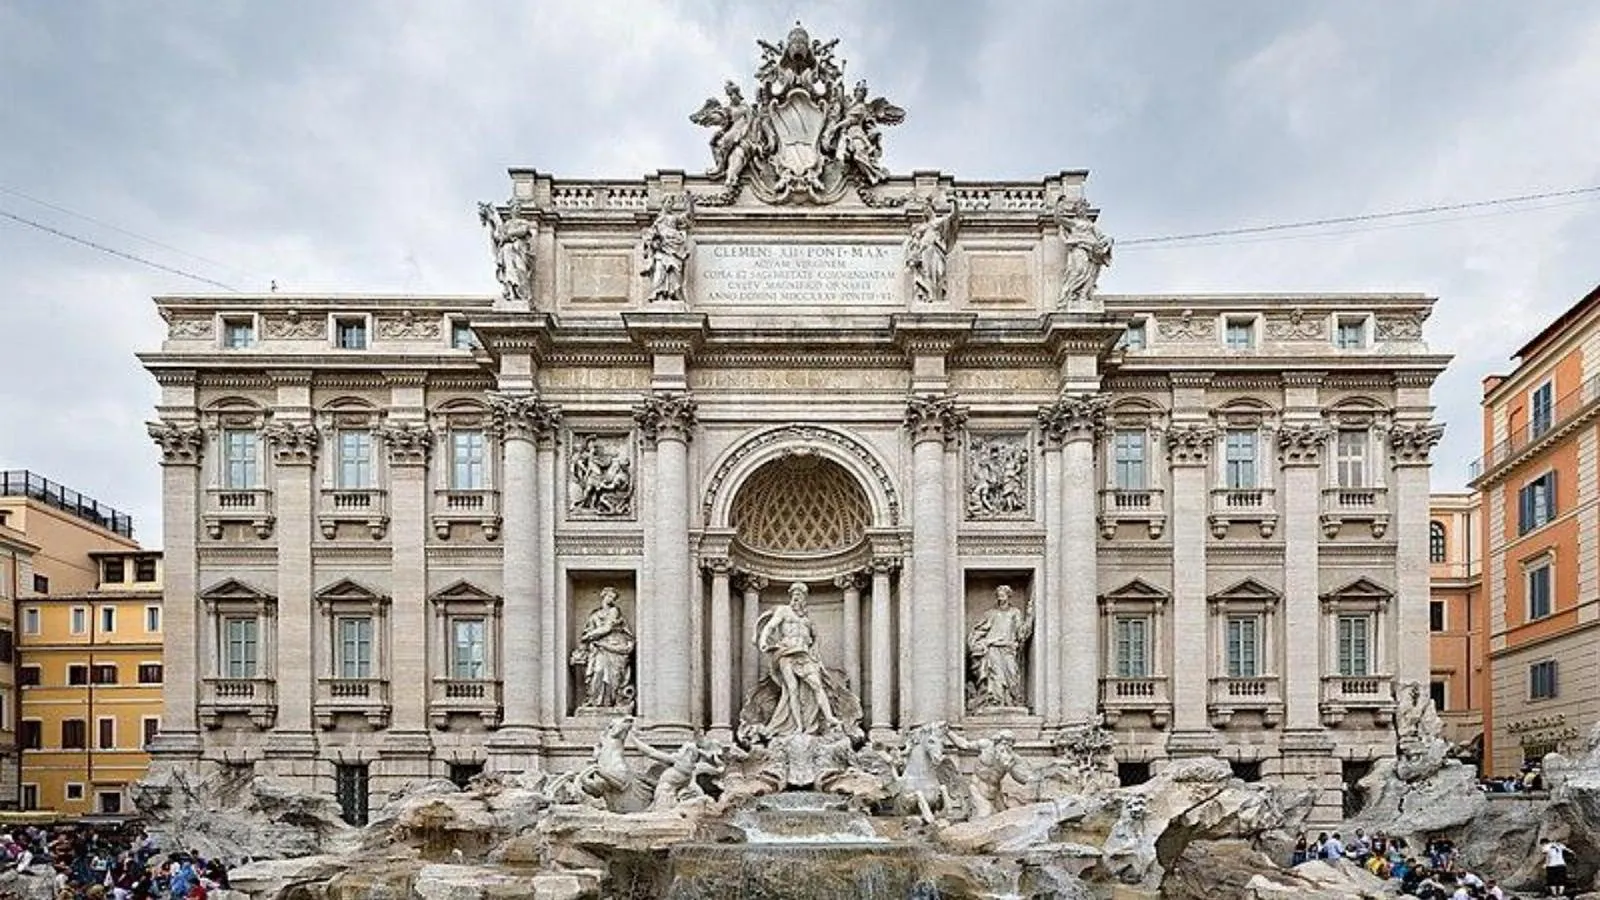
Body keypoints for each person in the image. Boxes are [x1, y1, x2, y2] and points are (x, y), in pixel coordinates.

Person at [756, 583, 841, 736]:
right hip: (786, 654)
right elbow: (770, 626)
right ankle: (798, 726)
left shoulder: (807, 620)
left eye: (800, 594)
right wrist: (763, 640)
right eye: (794, 594)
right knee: (792, 689)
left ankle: (829, 717)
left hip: (803, 655)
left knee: (816, 685)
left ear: (804, 598)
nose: (796, 597)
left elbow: (816, 638)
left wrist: (815, 653)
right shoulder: (784, 611)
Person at [966, 585, 1034, 710]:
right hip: (993, 649)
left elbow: (1021, 633)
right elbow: (979, 630)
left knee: (1012, 674)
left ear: (1008, 596)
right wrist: (979, 642)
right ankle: (996, 701)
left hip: (1008, 649)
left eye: (1003, 594)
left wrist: (1029, 617)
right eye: (998, 594)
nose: (1000, 597)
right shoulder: (991, 614)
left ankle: (1011, 700)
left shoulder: (1015, 613)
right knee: (995, 676)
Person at [573, 587, 636, 708]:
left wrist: (589, 636)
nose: (611, 599)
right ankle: (595, 701)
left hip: (613, 647)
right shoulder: (595, 615)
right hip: (598, 650)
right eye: (609, 596)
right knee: (598, 672)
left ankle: (609, 702)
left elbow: (607, 628)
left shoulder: (614, 611)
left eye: (613, 597)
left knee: (613, 677)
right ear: (603, 596)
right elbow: (588, 630)